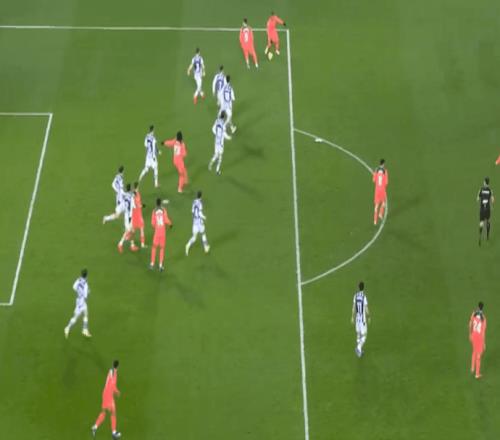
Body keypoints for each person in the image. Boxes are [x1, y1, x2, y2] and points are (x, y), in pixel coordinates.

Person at [91, 360, 122, 439]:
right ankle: (113, 433)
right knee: (113, 413)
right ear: (118, 366)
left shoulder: (112, 371)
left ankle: (95, 427)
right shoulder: (113, 373)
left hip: (106, 394)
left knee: (104, 413)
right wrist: (116, 391)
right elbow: (112, 384)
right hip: (108, 396)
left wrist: (115, 391)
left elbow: (111, 384)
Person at [64, 269, 92, 339]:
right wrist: (88, 292)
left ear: (81, 274)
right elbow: (85, 296)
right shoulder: (85, 284)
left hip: (79, 300)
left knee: (86, 313)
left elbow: (74, 287)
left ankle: (85, 330)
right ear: (86, 275)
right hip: (81, 303)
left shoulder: (78, 279)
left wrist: (79, 291)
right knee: (75, 318)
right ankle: (67, 328)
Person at [150, 198, 173, 271]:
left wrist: (155, 226)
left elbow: (152, 223)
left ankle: (152, 264)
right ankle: (160, 265)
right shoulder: (163, 210)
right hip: (163, 232)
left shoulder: (154, 211)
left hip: (157, 232)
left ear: (156, 203)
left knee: (154, 247)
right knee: (162, 248)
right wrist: (170, 224)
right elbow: (166, 219)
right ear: (161, 203)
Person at [185, 191, 210, 255]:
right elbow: (200, 213)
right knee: (203, 234)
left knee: (194, 237)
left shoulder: (194, 202)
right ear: (201, 196)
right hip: (199, 222)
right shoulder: (200, 203)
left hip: (194, 222)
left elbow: (192, 211)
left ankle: (187, 245)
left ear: (196, 195)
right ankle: (206, 247)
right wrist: (204, 217)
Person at [209, 110, 231, 175]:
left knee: (216, 154)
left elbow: (213, 129)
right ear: (224, 117)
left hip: (216, 141)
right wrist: (229, 137)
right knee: (220, 157)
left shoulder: (217, 121)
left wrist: (217, 134)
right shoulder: (223, 124)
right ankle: (217, 170)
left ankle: (210, 164)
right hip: (221, 144)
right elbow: (224, 134)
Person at [117, 184, 138, 253]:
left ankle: (132, 245)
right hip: (128, 218)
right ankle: (120, 244)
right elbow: (134, 206)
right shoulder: (131, 197)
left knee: (133, 231)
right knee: (128, 231)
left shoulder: (125, 196)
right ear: (130, 189)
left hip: (128, 216)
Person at [351, 281, 370, 357]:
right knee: (364, 335)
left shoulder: (355, 296)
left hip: (357, 319)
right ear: (363, 287)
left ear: (358, 287)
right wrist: (369, 316)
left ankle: (360, 350)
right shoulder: (364, 297)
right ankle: (358, 348)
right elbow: (366, 308)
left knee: (358, 333)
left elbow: (353, 308)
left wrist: (352, 317)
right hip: (363, 320)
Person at [469, 302, 487, 379]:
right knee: (478, 356)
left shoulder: (474, 313)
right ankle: (477, 374)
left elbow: (470, 323)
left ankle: (472, 367)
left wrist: (470, 333)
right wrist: (484, 343)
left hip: (473, 335)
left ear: (478, 307)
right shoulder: (484, 319)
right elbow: (483, 332)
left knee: (474, 351)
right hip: (479, 338)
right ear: (483, 308)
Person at [477, 177, 494, 246]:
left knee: (481, 222)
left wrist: (480, 197)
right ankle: (487, 236)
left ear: (484, 182)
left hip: (482, 209)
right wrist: (492, 205)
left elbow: (477, 199)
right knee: (488, 221)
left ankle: (480, 236)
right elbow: (493, 200)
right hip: (487, 209)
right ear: (488, 182)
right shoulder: (490, 190)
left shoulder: (481, 189)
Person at [373, 159, 388, 225]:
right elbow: (386, 182)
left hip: (377, 190)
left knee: (376, 206)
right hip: (382, 190)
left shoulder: (376, 170)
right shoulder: (385, 171)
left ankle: (375, 220)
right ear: (383, 164)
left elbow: (374, 180)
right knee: (384, 203)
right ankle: (380, 214)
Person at [132, 182, 146, 248]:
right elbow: (137, 204)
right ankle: (142, 244)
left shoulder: (134, 194)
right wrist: (142, 206)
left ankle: (133, 244)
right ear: (137, 186)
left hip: (134, 214)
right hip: (137, 214)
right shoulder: (135, 195)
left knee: (134, 230)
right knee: (141, 229)